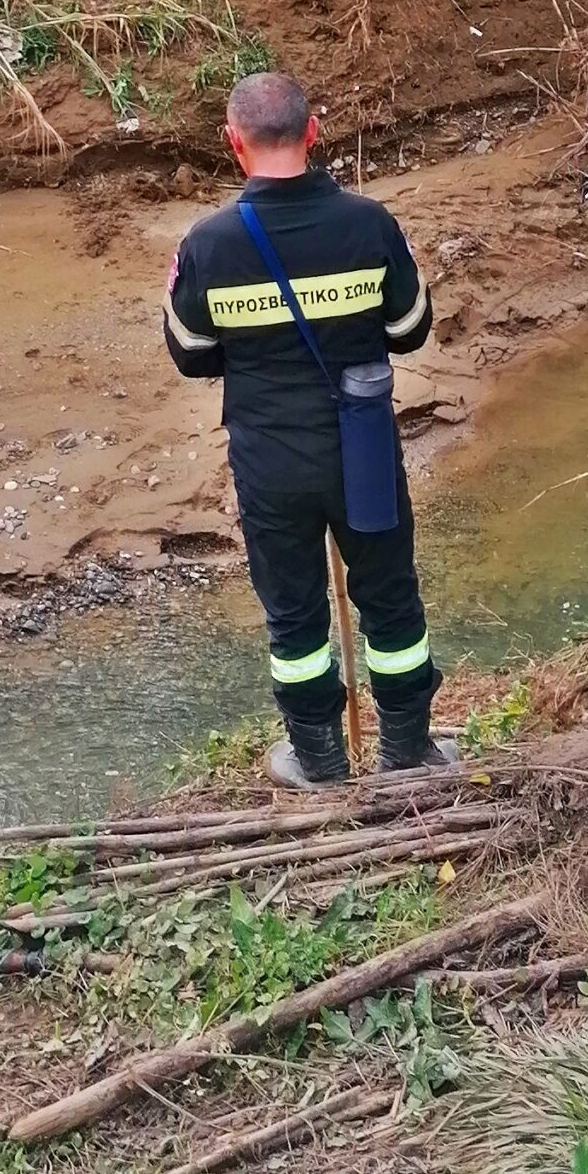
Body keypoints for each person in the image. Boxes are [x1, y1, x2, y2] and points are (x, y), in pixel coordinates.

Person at [164, 71, 447, 785]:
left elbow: (192, 356)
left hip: (268, 455)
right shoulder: (368, 224)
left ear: (235, 144)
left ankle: (317, 760)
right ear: (312, 131)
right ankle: (406, 749)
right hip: (362, 446)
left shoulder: (207, 245)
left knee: (293, 611)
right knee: (388, 594)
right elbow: (410, 330)